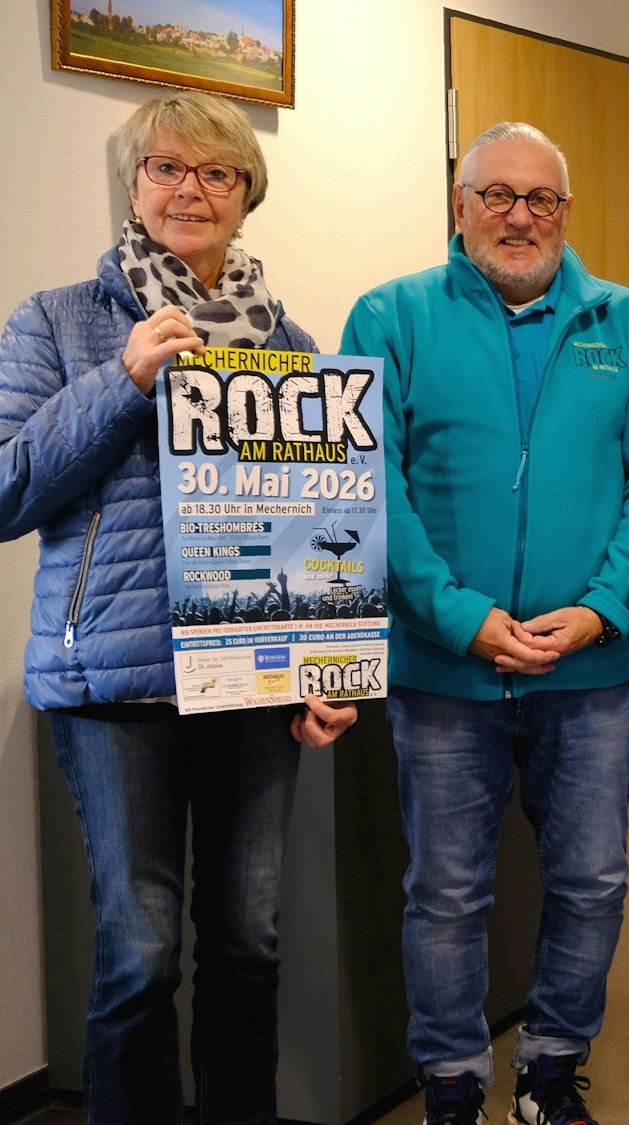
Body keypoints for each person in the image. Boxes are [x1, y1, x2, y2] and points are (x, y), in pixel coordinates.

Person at [0, 91, 356, 1123]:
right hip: (112, 686)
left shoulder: (288, 344)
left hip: (250, 689)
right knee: (140, 952)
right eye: (165, 167)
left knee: (249, 943)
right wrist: (121, 379)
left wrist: (324, 670)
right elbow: (9, 490)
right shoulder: (57, 321)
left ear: (248, 194)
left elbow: (316, 527)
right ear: (131, 182)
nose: (188, 190)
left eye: (216, 173)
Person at [341, 121, 629, 1125]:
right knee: (446, 893)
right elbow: (370, 483)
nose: (519, 215)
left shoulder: (625, 326)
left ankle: (550, 1068)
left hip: (587, 673)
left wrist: (601, 606)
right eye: (496, 194)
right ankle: (452, 1081)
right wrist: (458, 617)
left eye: (540, 199)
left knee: (589, 880)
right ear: (459, 206)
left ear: (566, 213)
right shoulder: (391, 317)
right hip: (441, 671)